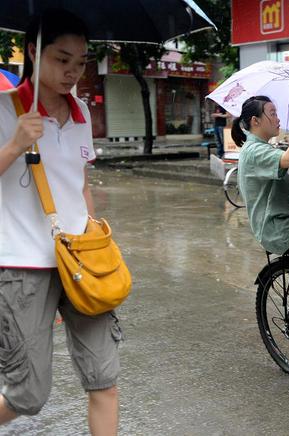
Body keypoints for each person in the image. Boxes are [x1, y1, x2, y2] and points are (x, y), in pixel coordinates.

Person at [0, 10, 120, 434]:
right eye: (61, 59)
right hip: (20, 265)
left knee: (104, 379)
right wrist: (15, 143)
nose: (73, 71)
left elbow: (79, 183)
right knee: (27, 395)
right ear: (34, 53)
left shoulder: (82, 113)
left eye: (81, 62)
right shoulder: (3, 110)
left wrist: (92, 229)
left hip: (81, 261)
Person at [232, 96, 289, 262]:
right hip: (279, 229)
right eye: (272, 113)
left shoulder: (261, 147)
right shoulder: (254, 151)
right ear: (256, 121)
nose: (278, 118)